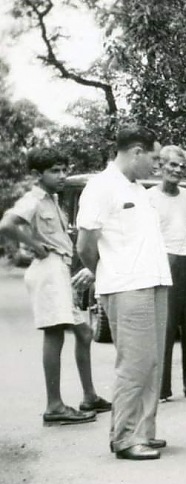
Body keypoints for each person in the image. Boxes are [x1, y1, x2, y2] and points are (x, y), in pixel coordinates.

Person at [76, 125, 172, 460]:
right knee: (135, 363)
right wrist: (106, 268)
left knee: (153, 362)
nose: (156, 166)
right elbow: (86, 243)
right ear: (136, 151)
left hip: (153, 281)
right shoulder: (101, 187)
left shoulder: (137, 189)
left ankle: (144, 431)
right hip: (126, 286)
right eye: (154, 159)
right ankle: (125, 437)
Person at [0, 148, 110, 426]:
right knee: (55, 333)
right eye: (55, 171)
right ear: (37, 175)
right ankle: (55, 405)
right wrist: (35, 246)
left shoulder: (52, 199)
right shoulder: (34, 199)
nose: (62, 176)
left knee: (84, 333)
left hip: (59, 269)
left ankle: (89, 396)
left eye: (64, 169)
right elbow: (7, 224)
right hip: (48, 269)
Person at [146, 145, 186, 401]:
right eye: (172, 165)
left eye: (182, 167)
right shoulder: (148, 197)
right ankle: (160, 389)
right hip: (164, 260)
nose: (177, 171)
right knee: (166, 324)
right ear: (161, 166)